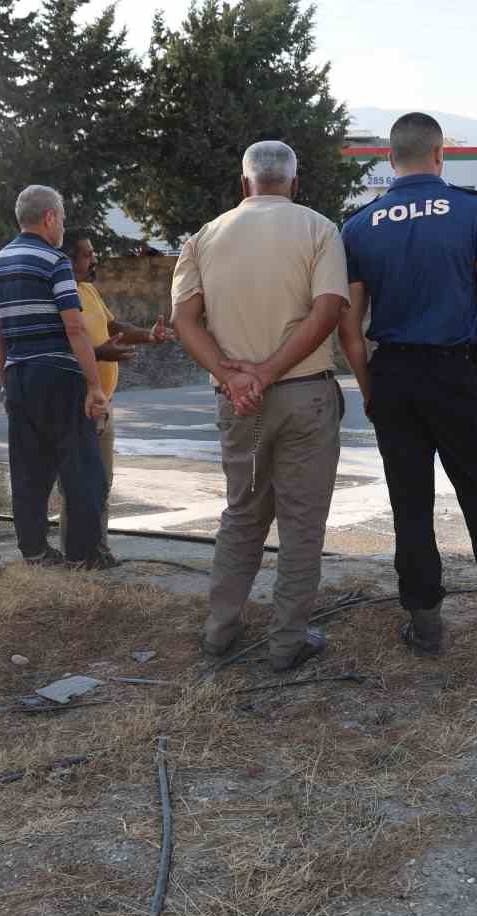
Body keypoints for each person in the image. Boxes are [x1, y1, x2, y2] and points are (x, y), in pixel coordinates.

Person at [338, 111, 477, 658]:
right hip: (455, 375)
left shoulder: (360, 225)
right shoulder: (471, 211)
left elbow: (350, 329)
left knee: (409, 504)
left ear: (390, 160)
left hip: (393, 375)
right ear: (440, 156)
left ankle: (427, 625)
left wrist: (369, 387)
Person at [171, 141, 348, 672]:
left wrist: (231, 375)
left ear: (245, 183)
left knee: (242, 515)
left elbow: (184, 320)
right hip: (304, 397)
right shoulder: (319, 230)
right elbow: (329, 310)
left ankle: (220, 630)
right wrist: (271, 372)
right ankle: (287, 640)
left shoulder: (204, 237)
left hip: (237, 402)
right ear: (294, 183)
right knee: (300, 524)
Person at [0, 186, 110, 569]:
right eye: (62, 219)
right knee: (84, 471)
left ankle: (35, 553)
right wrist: (93, 385)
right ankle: (82, 556)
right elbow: (74, 328)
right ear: (50, 218)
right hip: (58, 375)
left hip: (19, 375)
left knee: (28, 470)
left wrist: (6, 383)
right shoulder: (54, 260)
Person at [63, 231, 175, 567]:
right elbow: (65, 346)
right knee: (80, 486)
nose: (94, 259)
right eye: (87, 254)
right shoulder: (61, 295)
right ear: (68, 258)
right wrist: (101, 353)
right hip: (79, 402)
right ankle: (77, 558)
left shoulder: (88, 289)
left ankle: (99, 550)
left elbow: (113, 324)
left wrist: (147, 336)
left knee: (102, 484)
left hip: (104, 403)